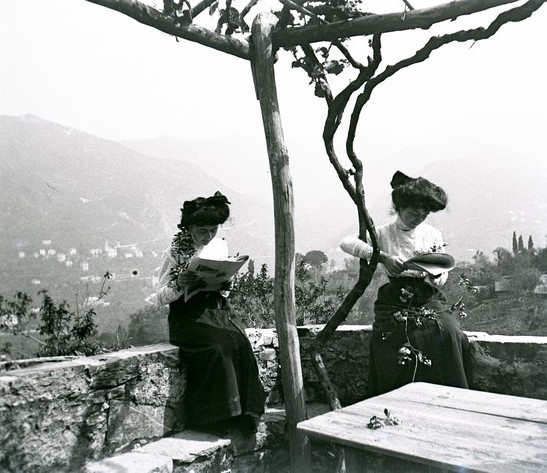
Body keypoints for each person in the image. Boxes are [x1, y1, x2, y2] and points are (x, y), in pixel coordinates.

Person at [340, 171, 471, 397]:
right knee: (401, 336)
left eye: (424, 214)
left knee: (448, 332)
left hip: (428, 295)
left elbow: (442, 273)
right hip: (395, 298)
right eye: (413, 212)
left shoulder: (432, 235)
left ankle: (447, 397)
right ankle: (403, 397)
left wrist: (436, 275)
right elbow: (347, 243)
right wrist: (383, 258)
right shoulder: (383, 233)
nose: (418, 218)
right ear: (399, 208)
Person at [149, 191, 266, 432]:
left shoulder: (219, 246)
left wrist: (225, 284)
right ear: (189, 228)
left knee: (240, 342)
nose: (208, 236)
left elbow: (222, 290)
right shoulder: (175, 252)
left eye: (213, 230)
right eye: (202, 231)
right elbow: (159, 297)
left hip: (217, 310)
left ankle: (245, 412)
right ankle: (214, 418)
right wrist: (179, 284)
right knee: (217, 347)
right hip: (188, 317)